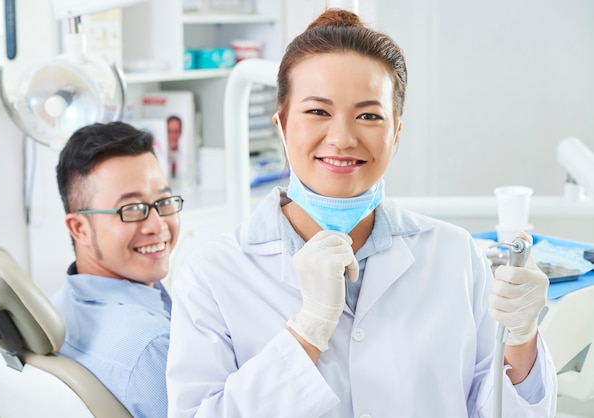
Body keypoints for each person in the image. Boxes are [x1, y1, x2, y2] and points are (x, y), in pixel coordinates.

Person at [166, 9, 556, 417]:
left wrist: (521, 337)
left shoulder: (454, 254)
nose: (342, 138)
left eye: (369, 115)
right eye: (318, 111)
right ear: (282, 125)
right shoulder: (213, 275)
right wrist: (307, 331)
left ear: (396, 132)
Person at [52, 121, 183, 418]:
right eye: (132, 209)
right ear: (79, 228)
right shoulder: (151, 348)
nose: (158, 225)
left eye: (163, 201)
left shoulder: (55, 307)